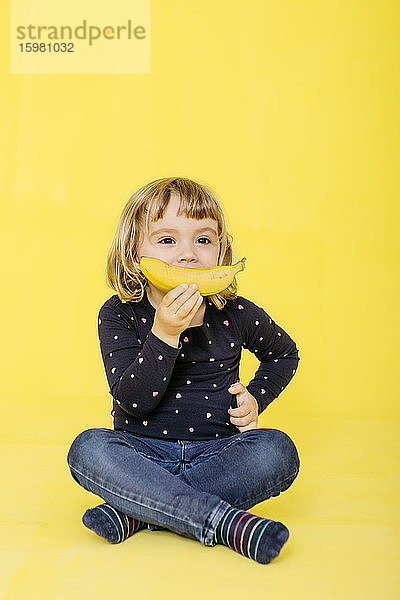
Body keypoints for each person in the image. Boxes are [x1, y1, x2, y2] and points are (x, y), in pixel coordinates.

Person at [66, 176, 301, 565]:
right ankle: (223, 522)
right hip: (141, 455)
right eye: (167, 240)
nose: (188, 254)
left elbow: (285, 354)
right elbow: (133, 402)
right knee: (88, 448)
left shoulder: (236, 313)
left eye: (203, 240)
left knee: (277, 451)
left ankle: (136, 510)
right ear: (132, 252)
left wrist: (256, 397)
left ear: (221, 251)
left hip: (219, 454)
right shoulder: (118, 313)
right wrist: (164, 333)